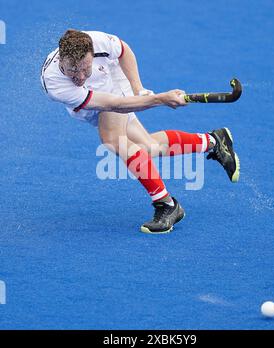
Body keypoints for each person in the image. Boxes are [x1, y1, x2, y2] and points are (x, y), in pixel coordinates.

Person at [40, 29, 240, 234]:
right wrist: (160, 99)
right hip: (102, 101)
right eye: (73, 70)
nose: (80, 76)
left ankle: (166, 204)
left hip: (113, 83)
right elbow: (115, 105)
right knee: (149, 147)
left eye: (86, 69)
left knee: (113, 140)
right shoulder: (55, 84)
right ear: (61, 60)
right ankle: (214, 141)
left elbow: (123, 51)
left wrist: (139, 89)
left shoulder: (96, 41)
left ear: (92, 56)